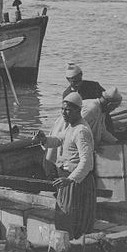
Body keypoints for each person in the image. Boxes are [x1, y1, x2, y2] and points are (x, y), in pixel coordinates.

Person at [35, 92, 96, 239]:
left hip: (76, 183)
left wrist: (70, 179)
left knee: (71, 221)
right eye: (62, 109)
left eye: (68, 109)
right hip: (68, 181)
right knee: (64, 219)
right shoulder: (71, 127)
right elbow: (58, 140)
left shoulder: (81, 131)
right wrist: (44, 139)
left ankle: (72, 250)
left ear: (78, 110)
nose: (63, 113)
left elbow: (87, 162)